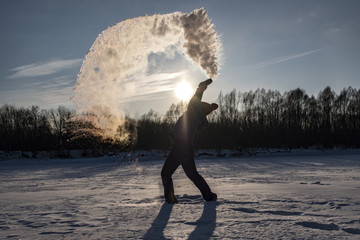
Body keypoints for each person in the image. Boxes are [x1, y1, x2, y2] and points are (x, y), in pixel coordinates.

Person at [161, 79, 218, 204]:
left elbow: (195, 100)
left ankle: (209, 196)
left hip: (183, 147)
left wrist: (202, 86)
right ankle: (170, 199)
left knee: (191, 174)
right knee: (166, 173)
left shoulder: (194, 113)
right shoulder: (196, 117)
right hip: (179, 147)